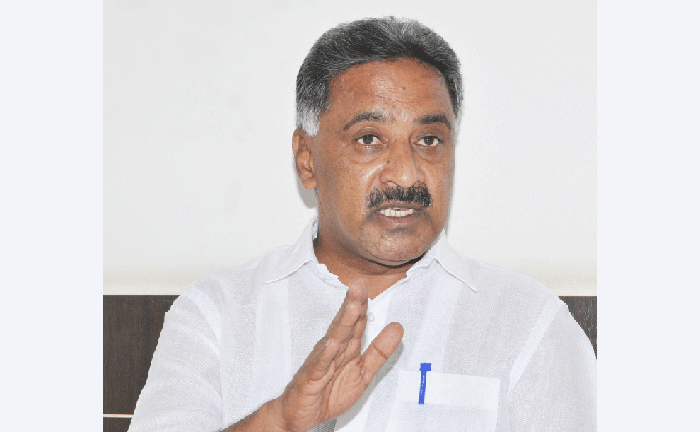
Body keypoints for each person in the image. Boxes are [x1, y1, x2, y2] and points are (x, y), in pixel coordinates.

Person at [128, 17, 596, 432]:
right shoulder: (218, 314)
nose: (407, 175)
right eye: (369, 139)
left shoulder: (529, 325)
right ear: (307, 159)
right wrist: (281, 423)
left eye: (429, 140)